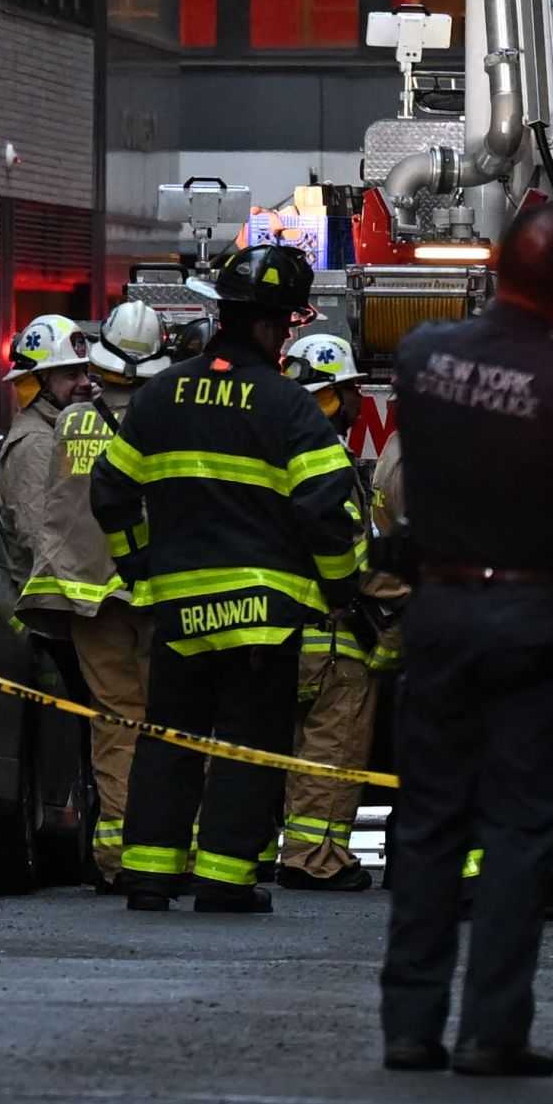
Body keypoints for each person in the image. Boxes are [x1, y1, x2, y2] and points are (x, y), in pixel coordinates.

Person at [374, 196, 553, 1074]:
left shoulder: (425, 358)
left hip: (439, 612)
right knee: (515, 829)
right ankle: (492, 1031)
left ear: (495, 264)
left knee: (428, 822)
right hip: (536, 621)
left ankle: (409, 1027)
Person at [88, 244, 364, 913]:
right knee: (250, 742)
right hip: (263, 615)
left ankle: (150, 876)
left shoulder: (159, 396)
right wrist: (342, 589)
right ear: (271, 327)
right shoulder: (289, 408)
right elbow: (331, 510)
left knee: (170, 736)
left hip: (179, 608)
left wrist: (139, 562)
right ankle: (224, 880)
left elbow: (110, 489)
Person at [0, 314, 147, 886]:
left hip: (89, 603)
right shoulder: (36, 442)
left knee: (110, 728)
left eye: (85, 370)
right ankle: (108, 848)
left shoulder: (73, 427)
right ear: (36, 382)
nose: (83, 381)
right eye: (67, 374)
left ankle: (108, 844)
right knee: (110, 727)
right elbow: (39, 536)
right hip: (67, 613)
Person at [271, 331, 385, 895]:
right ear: (334, 397)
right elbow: (347, 549)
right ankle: (315, 857)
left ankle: (264, 848)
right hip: (332, 634)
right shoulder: (326, 458)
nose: (361, 400)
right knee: (332, 746)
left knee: (280, 745)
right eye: (352, 390)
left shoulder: (271, 449)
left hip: (270, 629)